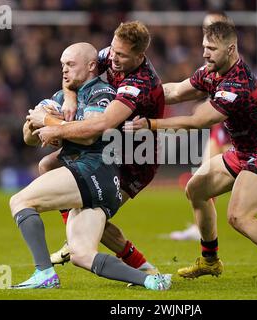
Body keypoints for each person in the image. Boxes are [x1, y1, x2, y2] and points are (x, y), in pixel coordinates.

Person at [125, 21, 257, 288]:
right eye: (204, 47)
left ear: (231, 49)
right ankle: (210, 260)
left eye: (211, 48)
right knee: (196, 189)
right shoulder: (212, 72)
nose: (205, 53)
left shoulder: (238, 84)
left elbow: (196, 121)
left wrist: (151, 123)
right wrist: (133, 95)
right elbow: (175, 91)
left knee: (239, 217)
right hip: (243, 151)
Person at [10, 42, 171, 290]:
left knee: (20, 201)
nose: (64, 70)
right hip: (100, 183)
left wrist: (51, 122)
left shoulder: (102, 93)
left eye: (71, 65)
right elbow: (28, 138)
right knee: (81, 255)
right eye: (62, 65)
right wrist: (35, 122)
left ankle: (44, 274)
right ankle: (150, 279)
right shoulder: (61, 97)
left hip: (94, 169)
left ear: (91, 66)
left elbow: (90, 136)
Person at [170, 11, 257, 242]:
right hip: (225, 119)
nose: (207, 35)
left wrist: (154, 123)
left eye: (212, 28)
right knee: (205, 175)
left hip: (231, 120)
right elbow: (183, 91)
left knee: (234, 174)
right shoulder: (213, 62)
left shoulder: (233, 67)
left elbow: (222, 100)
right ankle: (205, 234)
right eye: (205, 30)